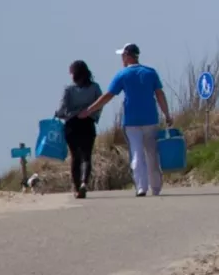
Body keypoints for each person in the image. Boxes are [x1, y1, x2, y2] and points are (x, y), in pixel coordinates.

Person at [80, 43, 173, 197]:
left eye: (123, 56)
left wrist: (89, 110)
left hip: (131, 121)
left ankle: (141, 187)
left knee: (136, 153)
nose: (122, 59)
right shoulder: (150, 72)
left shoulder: (122, 75)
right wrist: (167, 114)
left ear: (127, 56)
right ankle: (156, 187)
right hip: (150, 119)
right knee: (152, 153)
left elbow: (108, 96)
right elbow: (160, 94)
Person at [55, 60, 104, 199]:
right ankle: (84, 182)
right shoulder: (95, 87)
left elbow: (62, 108)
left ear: (73, 73)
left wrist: (58, 114)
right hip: (88, 123)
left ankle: (77, 188)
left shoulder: (69, 89)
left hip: (72, 125)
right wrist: (92, 115)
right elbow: (100, 104)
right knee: (86, 155)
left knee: (75, 157)